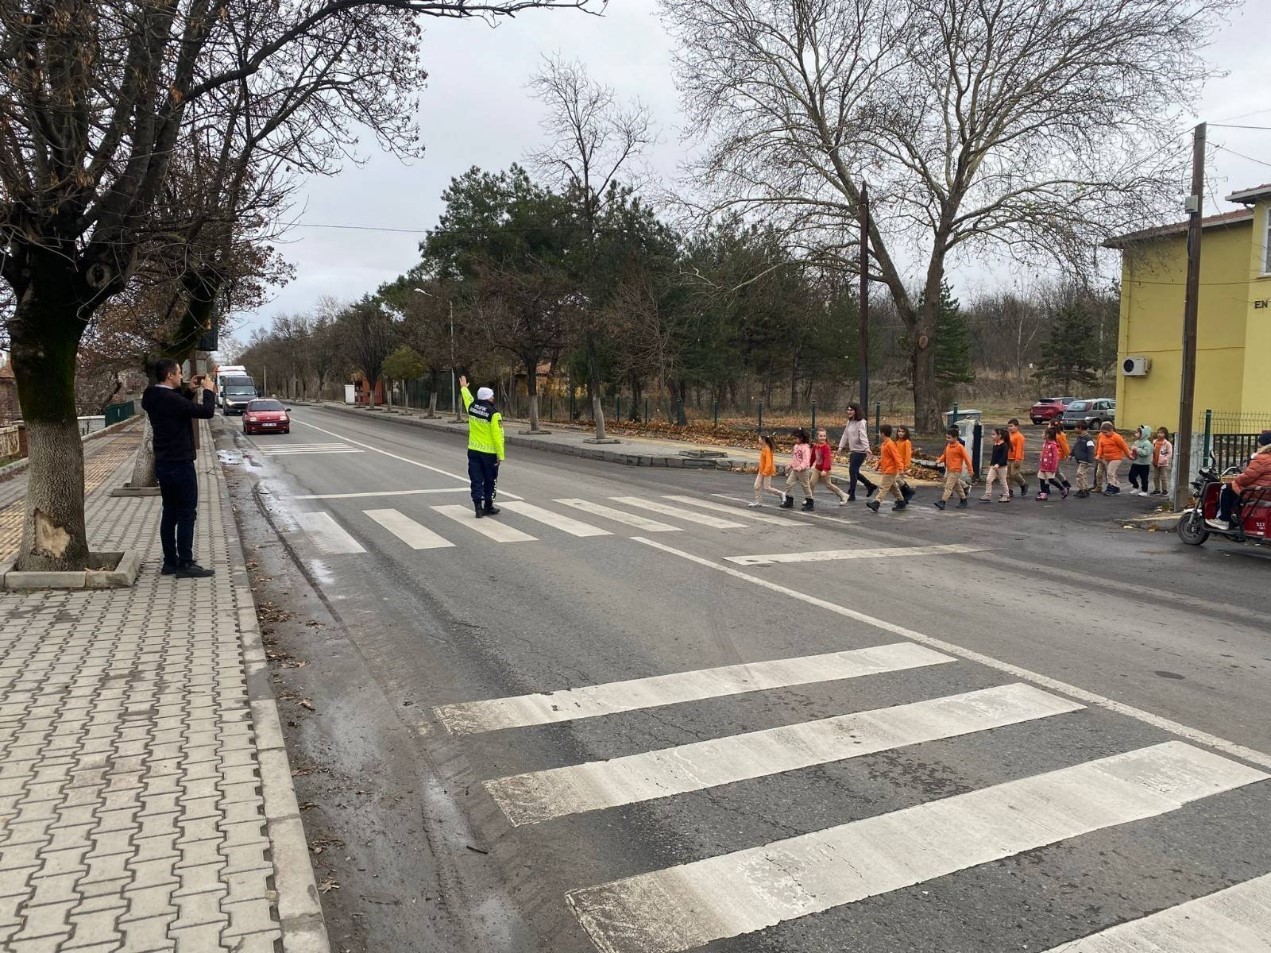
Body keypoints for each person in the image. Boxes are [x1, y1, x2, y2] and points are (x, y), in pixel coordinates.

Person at [141, 360, 217, 578]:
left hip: (164, 463)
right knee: (186, 513)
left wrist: (189, 390)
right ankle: (186, 563)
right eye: (178, 373)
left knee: (170, 513)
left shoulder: (153, 396)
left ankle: (170, 562)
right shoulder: (171, 399)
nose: (181, 376)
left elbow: (176, 408)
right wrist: (208, 391)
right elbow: (206, 412)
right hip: (181, 463)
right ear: (168, 375)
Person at [458, 374, 505, 517]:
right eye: (492, 396)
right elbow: (498, 437)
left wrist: (464, 388)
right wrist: (500, 455)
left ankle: (478, 507)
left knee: (476, 479)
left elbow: (467, 398)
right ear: (489, 398)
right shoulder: (494, 414)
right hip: (489, 453)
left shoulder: (472, 407)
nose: (493, 398)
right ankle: (488, 505)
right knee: (490, 480)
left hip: (473, 451)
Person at [1206, 443, 1271, 531]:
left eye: (1259, 445)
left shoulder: (1262, 459)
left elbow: (1246, 478)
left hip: (1256, 492)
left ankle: (1223, 519)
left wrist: (1237, 478)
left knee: (1226, 488)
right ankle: (1235, 516)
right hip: (1266, 493)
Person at [835, 403, 877, 501]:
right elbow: (845, 435)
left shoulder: (861, 422)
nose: (849, 412)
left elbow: (863, 436)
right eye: (848, 410)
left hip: (860, 451)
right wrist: (840, 447)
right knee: (854, 471)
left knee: (852, 471)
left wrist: (867, 449)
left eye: (851, 410)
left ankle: (852, 493)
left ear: (856, 411)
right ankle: (869, 485)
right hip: (853, 450)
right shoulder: (849, 422)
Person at [866, 425, 906, 513]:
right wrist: (878, 464)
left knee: (883, 487)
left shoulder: (890, 444)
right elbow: (884, 457)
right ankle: (901, 501)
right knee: (893, 487)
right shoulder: (885, 444)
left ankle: (877, 502)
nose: (879, 434)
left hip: (890, 470)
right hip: (886, 469)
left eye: (880, 432)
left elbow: (897, 457)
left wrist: (901, 469)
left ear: (883, 433)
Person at [933, 428, 972, 510]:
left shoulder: (960, 447)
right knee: (957, 486)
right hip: (949, 469)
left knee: (948, 486)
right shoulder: (948, 445)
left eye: (949, 438)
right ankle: (963, 500)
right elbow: (945, 455)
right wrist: (940, 460)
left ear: (955, 438)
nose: (947, 439)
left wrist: (970, 470)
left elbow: (967, 458)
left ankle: (943, 502)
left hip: (956, 470)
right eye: (946, 437)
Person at [810, 429, 849, 505]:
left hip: (826, 470)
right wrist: (809, 465)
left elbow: (827, 459)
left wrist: (824, 470)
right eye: (820, 436)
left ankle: (843, 495)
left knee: (828, 485)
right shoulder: (816, 446)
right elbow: (813, 457)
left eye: (824, 436)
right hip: (817, 468)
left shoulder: (826, 447)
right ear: (817, 437)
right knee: (811, 483)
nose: (822, 437)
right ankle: (809, 499)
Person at [781, 428, 815, 511]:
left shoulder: (805, 448)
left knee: (805, 486)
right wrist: (790, 465)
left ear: (801, 438)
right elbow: (795, 458)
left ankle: (810, 502)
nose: (794, 440)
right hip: (795, 470)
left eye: (796, 438)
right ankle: (789, 500)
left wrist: (800, 467)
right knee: (789, 483)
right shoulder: (796, 446)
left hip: (803, 471)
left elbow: (806, 461)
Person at [1096, 422, 1131, 495]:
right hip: (1107, 458)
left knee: (1110, 472)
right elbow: (1100, 447)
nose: (1104, 434)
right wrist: (1098, 455)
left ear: (1111, 430)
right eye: (1103, 432)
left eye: (1106, 432)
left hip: (1116, 458)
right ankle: (1116, 486)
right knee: (1112, 473)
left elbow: (1124, 446)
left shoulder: (1117, 437)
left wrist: (1129, 455)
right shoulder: (1102, 436)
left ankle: (1111, 486)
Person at [751, 434, 784, 507]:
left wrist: (765, 471)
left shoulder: (767, 449)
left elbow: (769, 463)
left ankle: (781, 493)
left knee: (767, 488)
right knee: (756, 486)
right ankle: (758, 501)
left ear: (763, 440)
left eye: (759, 438)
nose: (758, 439)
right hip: (761, 471)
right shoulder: (763, 448)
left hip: (767, 471)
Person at [1035, 427, 1068, 501]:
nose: (1042, 435)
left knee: (1051, 480)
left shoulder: (1053, 445)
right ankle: (1043, 494)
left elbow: (1055, 458)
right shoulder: (1045, 444)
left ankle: (1062, 489)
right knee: (1041, 479)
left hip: (1050, 467)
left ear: (1048, 435)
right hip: (1043, 466)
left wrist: (1054, 468)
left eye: (1043, 433)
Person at [981, 428, 1010, 502]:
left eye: (994, 434)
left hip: (1002, 467)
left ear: (999, 436)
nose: (992, 436)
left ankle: (1006, 496)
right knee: (988, 479)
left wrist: (998, 464)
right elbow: (993, 456)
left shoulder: (1004, 445)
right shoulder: (995, 444)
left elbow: (1004, 457)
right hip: (994, 466)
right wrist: (991, 464)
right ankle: (987, 494)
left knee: (1003, 481)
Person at [1070, 422, 1097, 498]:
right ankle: (1084, 489)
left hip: (1085, 460)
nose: (1075, 429)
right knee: (1083, 475)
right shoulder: (1079, 437)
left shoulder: (1088, 438)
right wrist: (1071, 454)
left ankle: (1082, 490)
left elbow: (1091, 450)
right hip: (1080, 459)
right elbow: (1076, 446)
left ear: (1080, 428)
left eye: (1076, 428)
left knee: (1080, 473)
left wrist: (1090, 460)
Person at [893, 425, 918, 504]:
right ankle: (903, 498)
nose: (900, 433)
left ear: (906, 433)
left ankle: (909, 491)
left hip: (902, 466)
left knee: (898, 479)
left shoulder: (907, 442)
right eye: (899, 431)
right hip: (897, 465)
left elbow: (908, 455)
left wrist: (906, 467)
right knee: (899, 483)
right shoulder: (896, 442)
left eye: (903, 432)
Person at [1127, 425, 1153, 495]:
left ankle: (1144, 491)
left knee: (1144, 478)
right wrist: (1131, 453)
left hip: (1144, 464)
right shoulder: (1136, 442)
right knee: (1131, 476)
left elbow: (1146, 453)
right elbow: (1132, 451)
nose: (1137, 434)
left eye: (1139, 432)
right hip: (1136, 463)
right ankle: (1136, 487)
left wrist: (1137, 449)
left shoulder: (1147, 443)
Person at [1006, 418, 1029, 498]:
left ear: (1017, 426)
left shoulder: (1019, 437)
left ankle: (1023, 484)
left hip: (1016, 458)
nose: (1009, 428)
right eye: (1008, 426)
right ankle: (1009, 490)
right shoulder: (1008, 435)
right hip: (1008, 457)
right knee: (1008, 476)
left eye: (1011, 426)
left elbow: (1019, 449)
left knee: (1014, 474)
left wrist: (1017, 459)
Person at [1150, 427, 1174, 496]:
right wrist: (1152, 459)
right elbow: (1153, 451)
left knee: (1163, 477)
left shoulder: (1167, 443)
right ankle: (1157, 489)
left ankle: (1165, 490)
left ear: (1165, 434)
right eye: (1158, 433)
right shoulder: (1154, 442)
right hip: (1155, 461)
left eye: (1161, 433)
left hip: (1163, 463)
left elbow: (1169, 453)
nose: (1159, 434)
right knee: (1155, 477)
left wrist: (1164, 459)